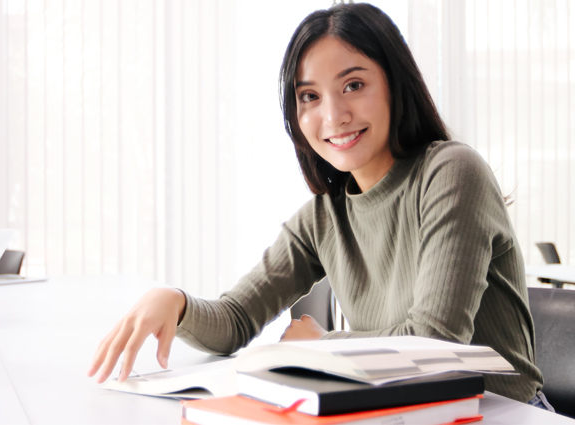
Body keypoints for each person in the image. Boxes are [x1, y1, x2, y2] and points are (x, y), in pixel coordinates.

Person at [88, 3, 552, 410]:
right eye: (309, 96)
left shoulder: (451, 171)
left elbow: (433, 341)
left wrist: (323, 346)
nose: (333, 116)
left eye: (353, 85)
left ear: (396, 84)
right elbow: (234, 321)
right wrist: (176, 302)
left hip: (503, 412)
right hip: (405, 411)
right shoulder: (323, 216)